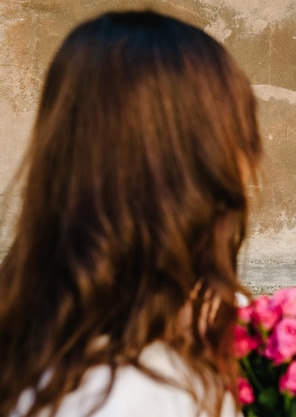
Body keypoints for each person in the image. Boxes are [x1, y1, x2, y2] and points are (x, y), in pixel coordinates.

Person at [0, 10, 262, 417]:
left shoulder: (46, 335)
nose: (250, 163)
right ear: (195, 171)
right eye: (239, 132)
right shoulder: (135, 396)